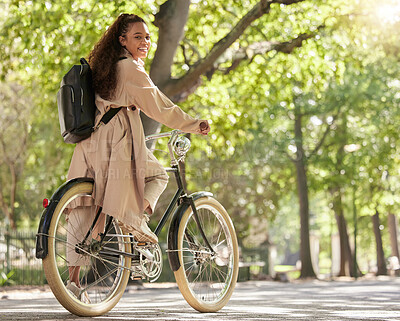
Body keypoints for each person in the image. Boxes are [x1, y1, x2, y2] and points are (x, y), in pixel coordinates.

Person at [65, 13, 210, 300]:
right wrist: (193, 124)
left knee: (85, 205)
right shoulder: (130, 69)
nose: (145, 41)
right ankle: (134, 223)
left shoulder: (104, 69)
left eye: (147, 36)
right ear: (122, 40)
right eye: (137, 37)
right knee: (157, 174)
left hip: (90, 143)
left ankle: (72, 284)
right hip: (116, 143)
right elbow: (159, 107)